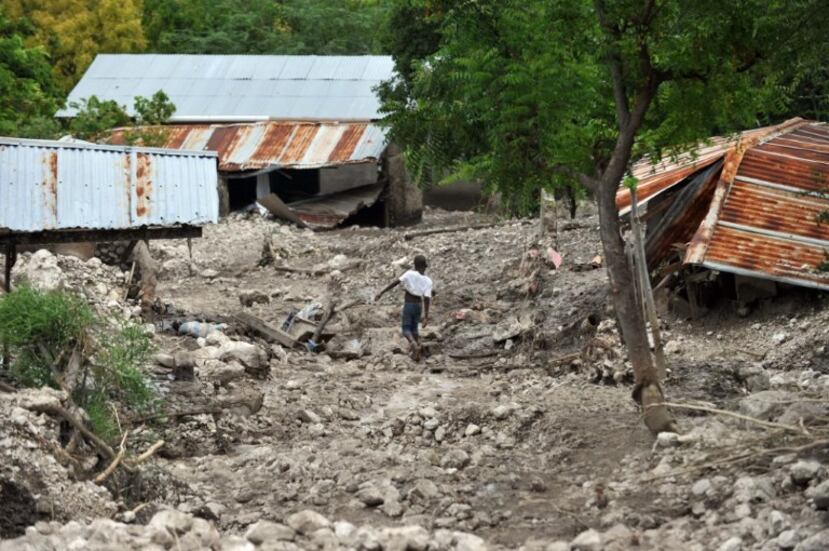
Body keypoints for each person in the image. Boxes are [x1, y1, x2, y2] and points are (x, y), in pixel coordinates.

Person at [374, 255, 432, 361]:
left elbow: (396, 282)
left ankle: (414, 345)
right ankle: (417, 354)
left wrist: (381, 292)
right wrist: (426, 316)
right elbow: (427, 298)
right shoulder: (428, 281)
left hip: (409, 303)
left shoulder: (409, 273)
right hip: (419, 305)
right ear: (425, 266)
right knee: (415, 329)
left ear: (415, 265)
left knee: (406, 330)